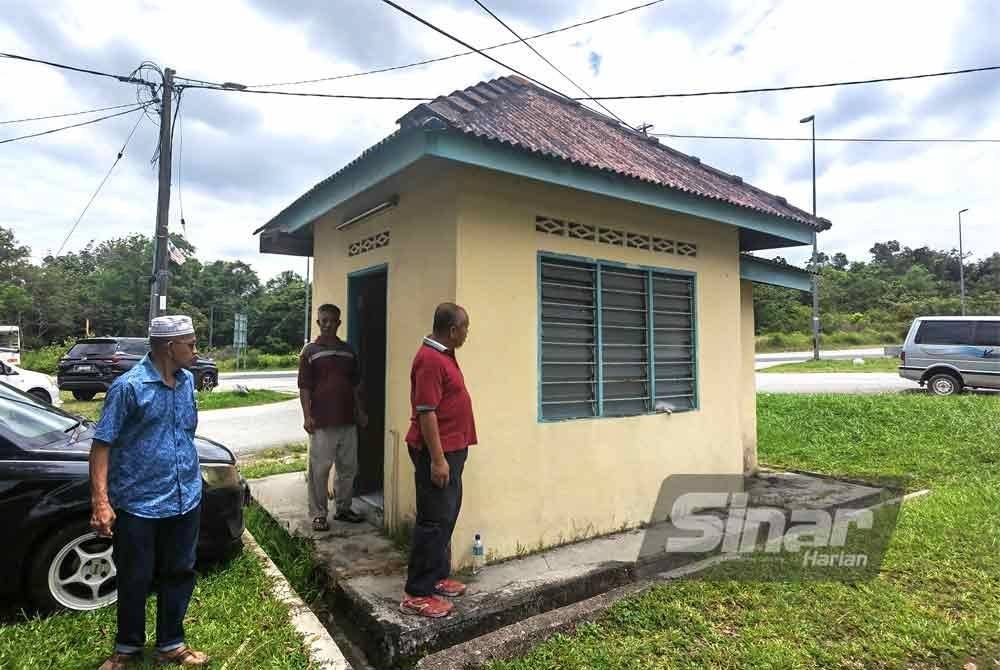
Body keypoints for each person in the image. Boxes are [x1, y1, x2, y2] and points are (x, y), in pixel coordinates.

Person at [90, 315, 209, 669]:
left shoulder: (187, 381)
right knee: (134, 577)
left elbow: (184, 433)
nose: (196, 350)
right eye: (191, 344)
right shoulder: (128, 388)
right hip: (139, 503)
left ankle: (171, 643)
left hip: (185, 497)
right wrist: (101, 502)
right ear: (169, 347)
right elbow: (101, 445)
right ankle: (127, 648)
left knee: (180, 571)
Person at [400, 303, 477, 619]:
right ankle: (417, 593)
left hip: (453, 450)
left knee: (446, 515)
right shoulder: (430, 360)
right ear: (453, 330)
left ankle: (437, 577)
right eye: (465, 328)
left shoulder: (445, 355)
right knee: (432, 521)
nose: (467, 333)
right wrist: (437, 460)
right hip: (437, 453)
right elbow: (426, 412)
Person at [298, 303, 368, 531]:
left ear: (339, 323)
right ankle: (319, 514)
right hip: (321, 421)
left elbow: (355, 385)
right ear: (318, 322)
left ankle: (344, 508)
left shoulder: (349, 351)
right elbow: (304, 387)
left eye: (332, 321)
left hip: (348, 420)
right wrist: (307, 416)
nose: (328, 325)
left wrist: (360, 411)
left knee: (348, 468)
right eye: (324, 321)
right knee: (319, 470)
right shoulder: (309, 351)